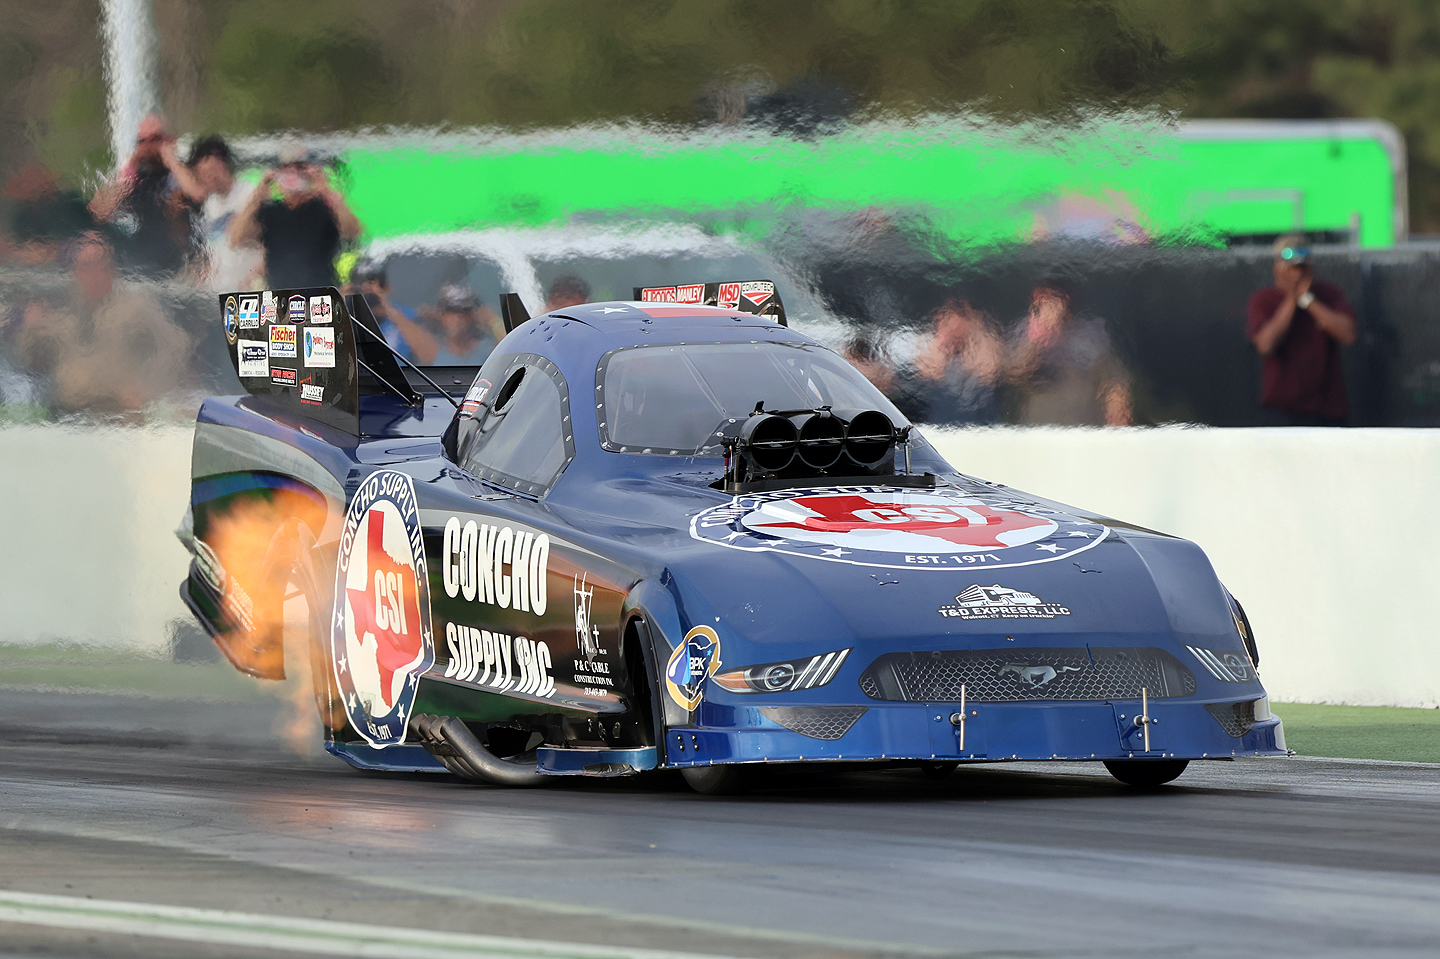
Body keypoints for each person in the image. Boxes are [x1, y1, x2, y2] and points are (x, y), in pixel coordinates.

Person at [14, 234, 190, 413]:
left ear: (112, 270)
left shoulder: (135, 306)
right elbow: (30, 362)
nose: (93, 274)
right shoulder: (62, 308)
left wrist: (146, 388)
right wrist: (31, 329)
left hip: (118, 406)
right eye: (85, 267)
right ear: (75, 273)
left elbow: (174, 345)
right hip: (70, 408)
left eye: (100, 265)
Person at [1246, 235, 1358, 426]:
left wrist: (1307, 300)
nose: (1296, 274)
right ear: (1277, 267)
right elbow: (1265, 345)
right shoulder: (1264, 300)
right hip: (1282, 413)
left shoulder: (1328, 294)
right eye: (1290, 267)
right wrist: (1291, 298)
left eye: (1301, 267)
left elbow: (1348, 335)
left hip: (1327, 411)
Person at [89, 114, 207, 278]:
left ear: (168, 140)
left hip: (184, 258)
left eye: (155, 139)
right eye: (142, 141)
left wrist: (171, 159)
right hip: (145, 258)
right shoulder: (136, 178)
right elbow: (99, 212)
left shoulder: (182, 172)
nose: (149, 146)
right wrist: (131, 165)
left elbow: (198, 195)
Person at [228, 145, 361, 289]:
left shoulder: (325, 208)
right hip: (280, 295)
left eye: (300, 168)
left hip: (320, 293)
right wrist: (259, 193)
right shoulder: (270, 211)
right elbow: (237, 238)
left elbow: (352, 231)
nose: (292, 174)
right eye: (285, 169)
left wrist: (326, 191)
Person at [1006, 279, 1131, 426]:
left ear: (1066, 300)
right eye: (1039, 299)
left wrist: (1117, 418)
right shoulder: (1025, 331)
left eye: (1052, 297)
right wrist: (1037, 339)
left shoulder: (1088, 333)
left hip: (1081, 425)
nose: (1045, 304)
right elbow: (1014, 376)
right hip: (1040, 426)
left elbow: (1114, 381)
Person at [188, 135, 264, 291]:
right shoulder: (210, 204)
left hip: (248, 286)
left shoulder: (249, 194)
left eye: (211, 171)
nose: (209, 178)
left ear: (223, 164)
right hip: (219, 289)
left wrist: (254, 277)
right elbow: (211, 245)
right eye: (203, 174)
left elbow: (267, 242)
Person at [913, 298, 1003, 425]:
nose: (955, 339)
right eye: (950, 329)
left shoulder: (983, 350)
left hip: (978, 424)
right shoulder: (926, 349)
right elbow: (924, 377)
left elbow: (989, 375)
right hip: (935, 424)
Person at [348, 258, 419, 360]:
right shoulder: (349, 317)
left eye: (372, 282)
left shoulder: (407, 315)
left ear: (387, 287)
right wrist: (340, 304)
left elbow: (428, 356)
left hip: (400, 369)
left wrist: (387, 309)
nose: (365, 288)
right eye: (360, 283)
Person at [411, 285, 499, 366]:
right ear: (442, 315)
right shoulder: (431, 350)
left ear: (472, 315)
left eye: (463, 311)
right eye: (450, 310)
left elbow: (506, 356)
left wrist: (493, 320)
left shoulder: (488, 349)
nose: (457, 318)